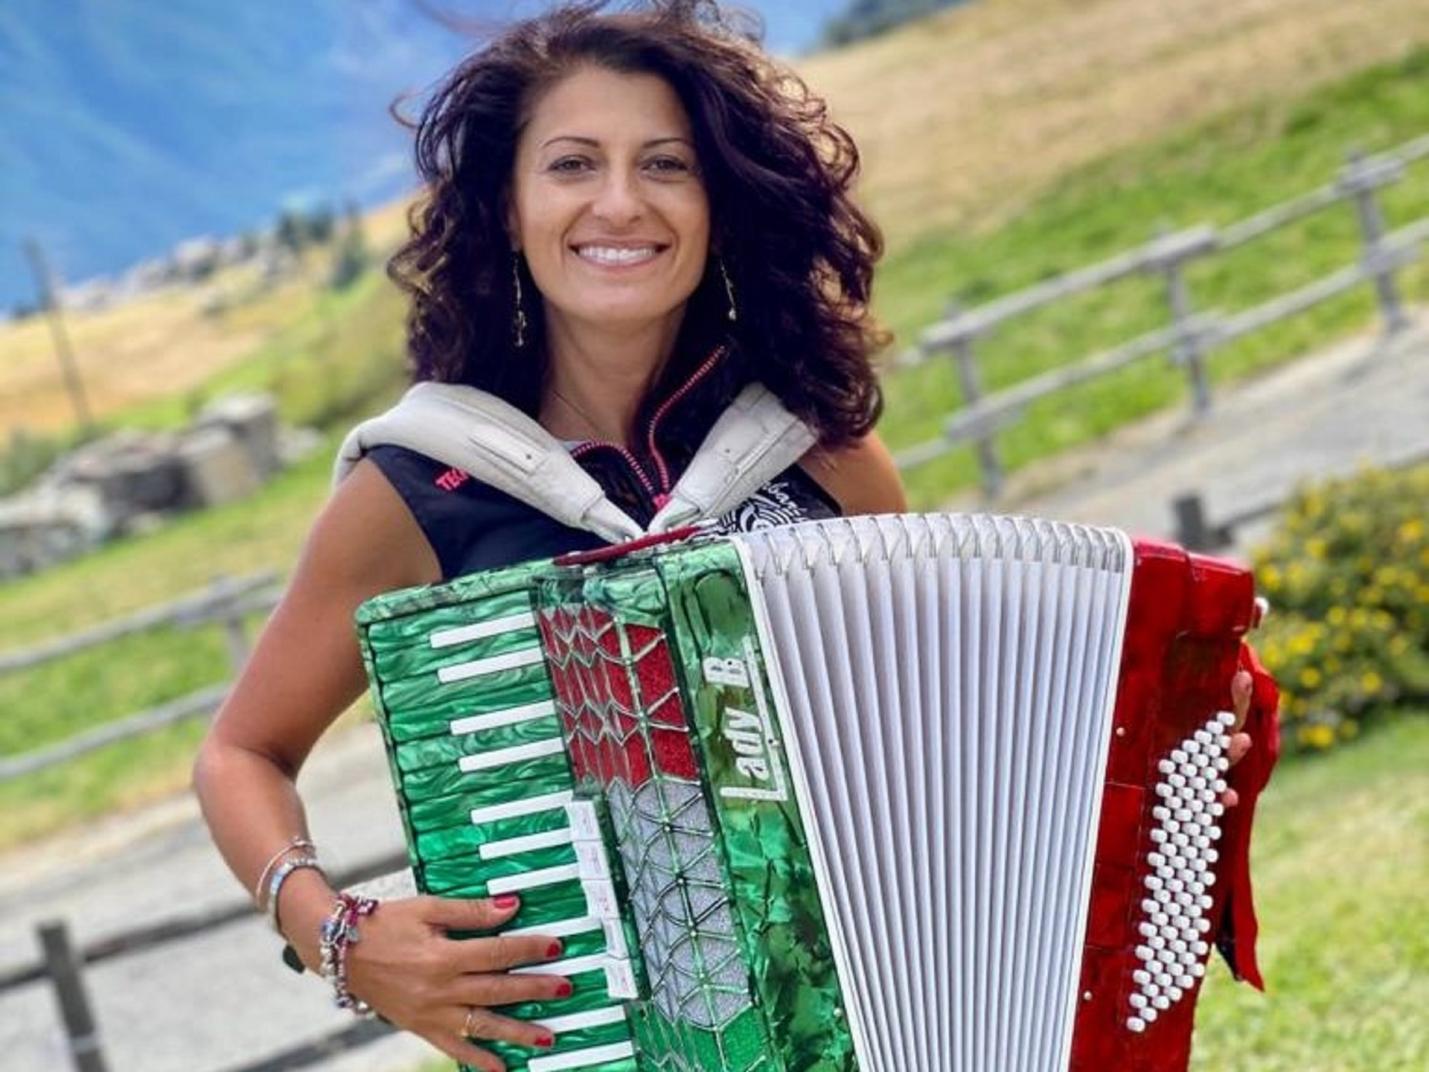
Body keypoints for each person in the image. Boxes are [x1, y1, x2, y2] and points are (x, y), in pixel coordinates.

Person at [193, 3, 1254, 1070]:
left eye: (666, 164)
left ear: (718, 205)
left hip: (894, 1028)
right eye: (571, 165)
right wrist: (332, 930)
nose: (620, 202)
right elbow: (243, 751)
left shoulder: (812, 447)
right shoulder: (422, 484)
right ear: (507, 211)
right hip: (615, 1040)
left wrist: (1155, 755)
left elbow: (952, 731)